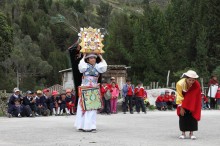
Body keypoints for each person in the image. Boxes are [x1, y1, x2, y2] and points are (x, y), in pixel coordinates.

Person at [74, 53, 107, 132]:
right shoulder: (85, 66)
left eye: (94, 58)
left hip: (93, 90)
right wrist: (84, 56)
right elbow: (81, 67)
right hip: (85, 89)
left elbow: (104, 67)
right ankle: (81, 125)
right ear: (88, 60)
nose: (93, 59)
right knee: (83, 108)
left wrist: (100, 57)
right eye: (91, 58)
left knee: (92, 108)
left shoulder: (97, 67)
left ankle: (92, 126)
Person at [176, 70, 201, 140]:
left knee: (192, 117)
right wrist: (181, 107)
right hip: (182, 101)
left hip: (192, 102)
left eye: (193, 80)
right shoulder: (179, 84)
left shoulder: (196, 84)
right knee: (183, 116)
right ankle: (183, 133)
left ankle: (191, 133)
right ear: (186, 78)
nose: (191, 82)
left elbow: (196, 96)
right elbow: (179, 95)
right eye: (190, 80)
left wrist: (192, 106)